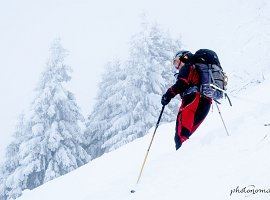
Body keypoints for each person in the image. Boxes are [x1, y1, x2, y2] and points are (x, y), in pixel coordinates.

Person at [161, 50, 212, 150]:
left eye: (176, 62)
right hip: (206, 102)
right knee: (186, 136)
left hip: (192, 99)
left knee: (181, 135)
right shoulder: (197, 69)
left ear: (183, 58)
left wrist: (168, 95)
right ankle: (186, 158)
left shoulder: (187, 67)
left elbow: (181, 84)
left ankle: (179, 159)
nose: (177, 67)